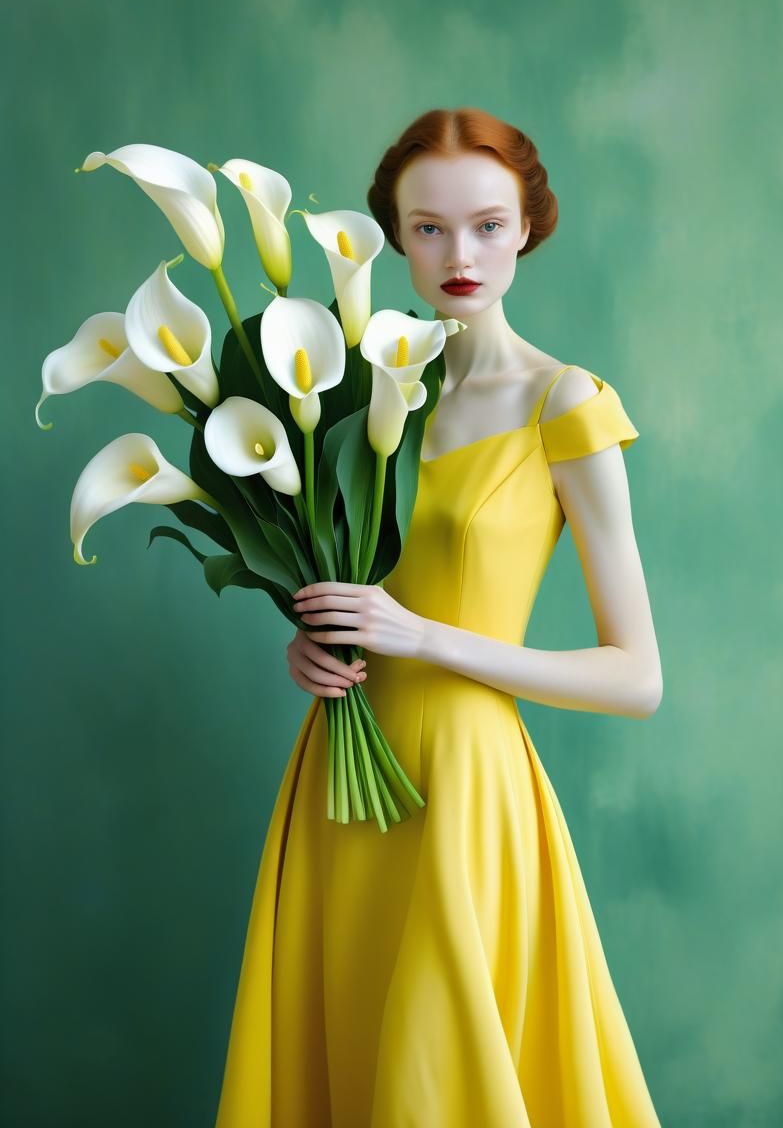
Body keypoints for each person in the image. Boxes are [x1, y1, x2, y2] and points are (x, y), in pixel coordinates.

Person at [214, 107, 664, 1127]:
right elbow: (350, 577)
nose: (459, 254)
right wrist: (317, 641)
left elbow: (636, 677)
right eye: (427, 229)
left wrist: (424, 638)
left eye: (487, 226)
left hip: (468, 793)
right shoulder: (358, 399)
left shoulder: (566, 403)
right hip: (339, 779)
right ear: (392, 235)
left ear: (527, 227)